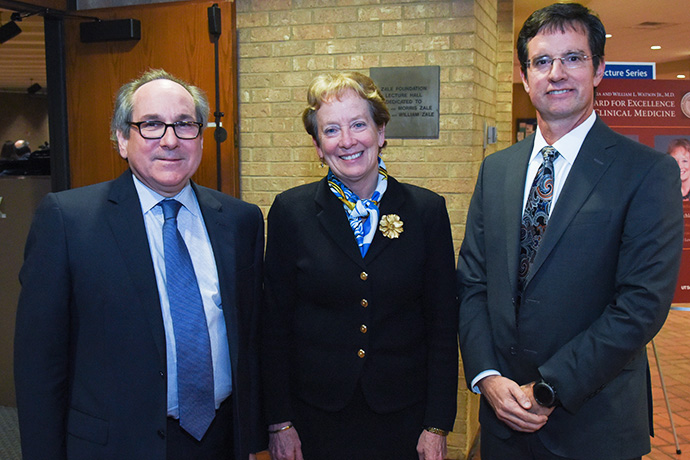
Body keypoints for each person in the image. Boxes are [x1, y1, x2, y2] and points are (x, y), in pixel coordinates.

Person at [457, 3, 684, 460]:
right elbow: (473, 284)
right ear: (524, 76)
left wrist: (548, 389)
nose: (556, 73)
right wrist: (487, 378)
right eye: (542, 61)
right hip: (502, 423)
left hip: (592, 426)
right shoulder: (496, 170)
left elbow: (641, 304)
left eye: (573, 58)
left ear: (599, 69)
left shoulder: (646, 172)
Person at [14, 69, 265, 460]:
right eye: (150, 125)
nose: (170, 140)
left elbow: (250, 339)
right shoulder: (67, 221)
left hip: (220, 441)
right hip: (115, 446)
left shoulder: (240, 220)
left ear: (200, 137)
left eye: (184, 124)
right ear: (121, 139)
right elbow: (39, 366)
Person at [262, 71, 458, 460]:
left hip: (404, 419)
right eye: (331, 130)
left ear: (381, 131)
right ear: (318, 146)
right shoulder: (290, 212)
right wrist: (279, 422)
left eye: (358, 124)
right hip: (315, 420)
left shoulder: (426, 211)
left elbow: (442, 324)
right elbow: (273, 326)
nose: (347, 141)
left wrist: (437, 425)